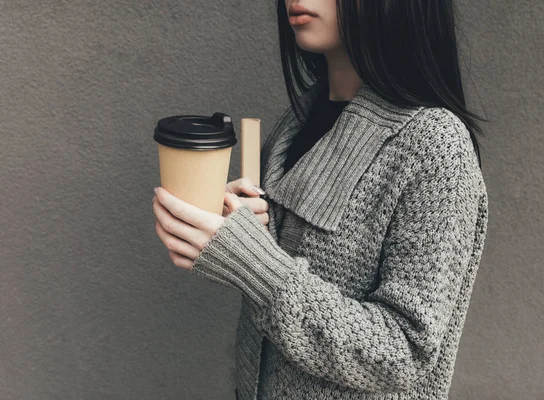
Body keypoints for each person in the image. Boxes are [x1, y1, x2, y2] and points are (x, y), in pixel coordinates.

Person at [152, 1, 489, 399]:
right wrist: (241, 233)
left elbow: (405, 353)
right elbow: (288, 275)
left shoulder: (435, 145)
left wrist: (254, 265)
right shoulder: (296, 123)